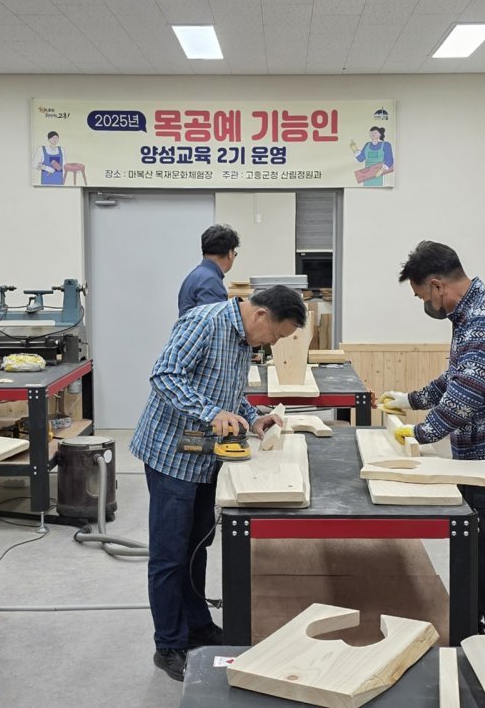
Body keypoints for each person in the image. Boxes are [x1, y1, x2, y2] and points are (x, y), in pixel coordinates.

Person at [130, 285, 307, 681]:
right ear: (261, 315)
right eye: (276, 336)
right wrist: (211, 412)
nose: (272, 343)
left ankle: (197, 625)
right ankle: (169, 644)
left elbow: (227, 391)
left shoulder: (244, 339)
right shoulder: (204, 323)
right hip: (170, 455)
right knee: (169, 556)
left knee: (196, 548)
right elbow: (164, 374)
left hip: (204, 458)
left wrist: (252, 415)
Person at [381, 241, 485, 636]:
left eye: (422, 295)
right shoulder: (471, 313)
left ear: (437, 285)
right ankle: (477, 629)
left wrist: (418, 434)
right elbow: (457, 377)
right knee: (478, 552)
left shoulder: (481, 320)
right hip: (483, 457)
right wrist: (412, 399)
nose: (426, 305)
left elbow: (465, 398)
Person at [177, 224, 239, 315]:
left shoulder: (194, 275)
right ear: (230, 253)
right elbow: (214, 324)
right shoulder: (211, 281)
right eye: (234, 253)